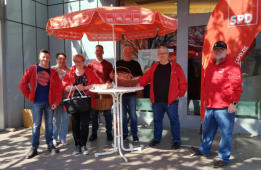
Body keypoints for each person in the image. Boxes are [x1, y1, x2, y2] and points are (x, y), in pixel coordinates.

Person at [191, 41, 243, 168]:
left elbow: (237, 88)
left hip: (225, 108)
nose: (218, 51)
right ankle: (204, 150)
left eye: (221, 49)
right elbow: (207, 86)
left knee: (226, 134)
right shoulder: (210, 66)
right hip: (210, 106)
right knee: (207, 131)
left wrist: (234, 103)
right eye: (216, 50)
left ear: (226, 51)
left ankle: (224, 158)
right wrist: (205, 100)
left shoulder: (233, 66)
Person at [139, 46, 187, 149]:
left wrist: (180, 94)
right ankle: (157, 139)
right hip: (156, 101)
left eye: (164, 53)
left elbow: (183, 82)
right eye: (160, 53)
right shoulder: (154, 67)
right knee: (157, 121)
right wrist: (138, 81)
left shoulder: (175, 66)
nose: (162, 55)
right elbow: (144, 79)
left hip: (171, 101)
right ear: (158, 55)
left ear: (168, 54)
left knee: (174, 121)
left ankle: (176, 140)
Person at [18, 49, 62, 159]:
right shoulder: (33, 69)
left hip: (49, 103)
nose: (45, 59)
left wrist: (56, 102)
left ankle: (50, 145)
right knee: (36, 125)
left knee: (50, 125)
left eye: (47, 57)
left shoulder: (53, 72)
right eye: (43, 57)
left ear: (49, 58)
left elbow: (58, 89)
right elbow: (22, 84)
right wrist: (29, 96)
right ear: (39, 57)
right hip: (37, 102)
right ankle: (34, 148)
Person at [62, 54, 100, 155]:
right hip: (74, 102)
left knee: (85, 124)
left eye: (80, 61)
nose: (78, 63)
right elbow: (65, 87)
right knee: (75, 125)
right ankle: (77, 145)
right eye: (76, 61)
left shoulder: (89, 71)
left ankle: (83, 145)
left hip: (86, 101)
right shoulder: (70, 72)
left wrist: (85, 87)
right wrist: (75, 88)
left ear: (83, 62)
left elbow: (96, 84)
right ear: (74, 62)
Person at [115, 45, 143, 142]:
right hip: (120, 93)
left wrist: (132, 77)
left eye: (129, 52)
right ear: (123, 53)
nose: (127, 54)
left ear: (131, 53)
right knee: (122, 115)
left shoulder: (136, 64)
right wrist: (120, 76)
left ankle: (135, 135)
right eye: (125, 52)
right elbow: (114, 76)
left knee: (133, 115)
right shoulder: (118, 63)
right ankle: (124, 135)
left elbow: (140, 76)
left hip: (131, 93)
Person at [87, 45, 113, 141]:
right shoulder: (90, 65)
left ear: (103, 52)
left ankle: (109, 133)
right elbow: (88, 78)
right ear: (95, 52)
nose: (98, 52)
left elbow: (111, 78)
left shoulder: (109, 64)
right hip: (95, 93)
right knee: (94, 115)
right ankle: (94, 133)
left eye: (100, 51)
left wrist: (110, 80)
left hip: (106, 93)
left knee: (108, 115)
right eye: (97, 51)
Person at [52, 52, 70, 146]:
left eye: (63, 59)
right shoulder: (52, 69)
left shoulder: (69, 70)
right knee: (55, 119)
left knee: (65, 118)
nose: (61, 60)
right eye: (60, 58)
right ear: (56, 59)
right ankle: (54, 138)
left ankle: (63, 137)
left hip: (66, 98)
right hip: (55, 99)